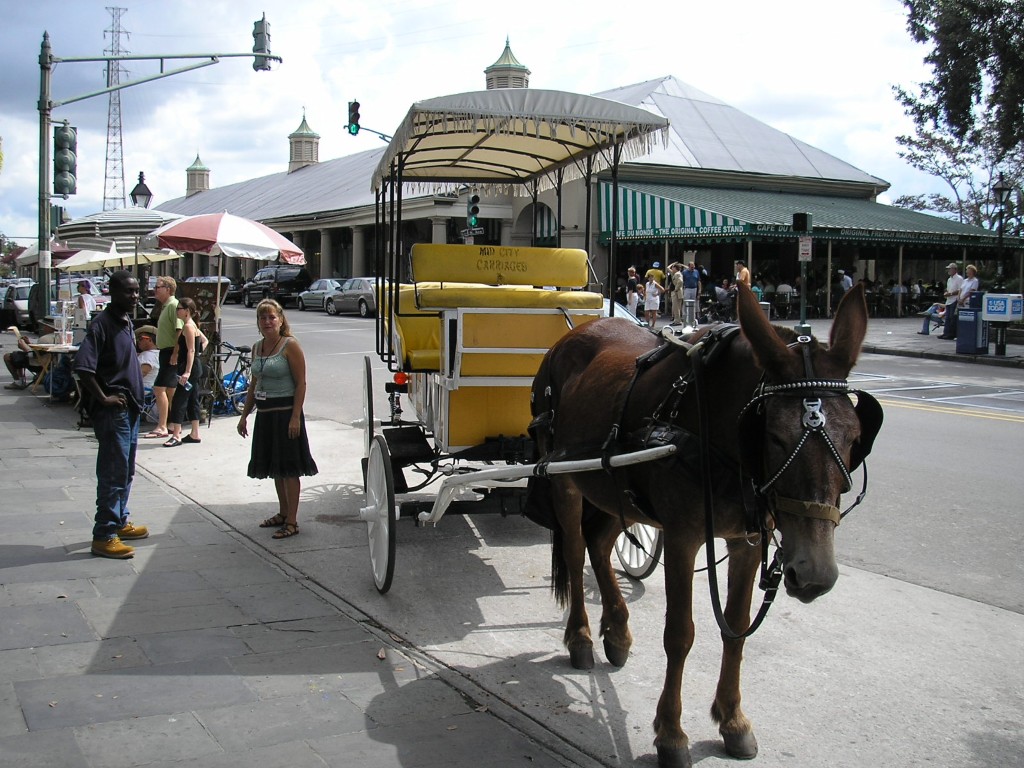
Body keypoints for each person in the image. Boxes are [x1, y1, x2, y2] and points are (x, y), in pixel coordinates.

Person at [72, 270, 148, 559]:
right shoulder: (101, 325)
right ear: (113, 292)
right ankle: (104, 534)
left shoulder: (126, 321)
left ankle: (120, 520)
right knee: (113, 473)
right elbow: (83, 367)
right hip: (113, 411)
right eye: (129, 291)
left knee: (126, 471)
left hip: (130, 408)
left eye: (137, 290)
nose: (135, 296)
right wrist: (103, 398)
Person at [237, 299, 318, 540]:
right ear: (258, 323)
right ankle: (283, 513)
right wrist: (244, 416)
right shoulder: (256, 347)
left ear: (281, 320)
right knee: (275, 468)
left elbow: (301, 383)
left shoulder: (290, 346)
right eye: (263, 318)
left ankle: (292, 521)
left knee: (290, 468)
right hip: (265, 415)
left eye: (272, 317)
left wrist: (295, 417)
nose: (267, 322)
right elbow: (254, 384)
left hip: (285, 413)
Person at [164, 297, 207, 447]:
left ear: (187, 311)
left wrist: (187, 371)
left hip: (189, 369)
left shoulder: (189, 326)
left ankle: (176, 434)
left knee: (179, 400)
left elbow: (191, 350)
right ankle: (195, 433)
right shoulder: (190, 325)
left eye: (179, 309)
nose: (177, 311)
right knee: (193, 399)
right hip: (192, 367)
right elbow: (204, 341)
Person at [144, 277, 183, 439]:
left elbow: (179, 330)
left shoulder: (173, 305)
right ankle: (172, 423)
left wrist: (175, 352)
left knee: (159, 388)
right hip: (166, 352)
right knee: (169, 390)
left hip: (169, 352)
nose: (155, 290)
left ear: (168, 289)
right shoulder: (166, 306)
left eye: (158, 287)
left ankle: (162, 426)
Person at [937, 262, 964, 340]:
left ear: (954, 269)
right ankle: (946, 333)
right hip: (949, 300)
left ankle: (951, 334)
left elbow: (960, 289)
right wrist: (946, 293)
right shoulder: (949, 279)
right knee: (948, 318)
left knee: (952, 318)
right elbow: (949, 288)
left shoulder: (959, 278)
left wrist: (951, 293)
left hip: (954, 299)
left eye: (950, 269)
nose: (949, 270)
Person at [135, 325, 160, 389]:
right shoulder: (157, 354)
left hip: (141, 391)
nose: (138, 341)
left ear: (150, 340)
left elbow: (140, 374)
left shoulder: (148, 355)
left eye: (140, 338)